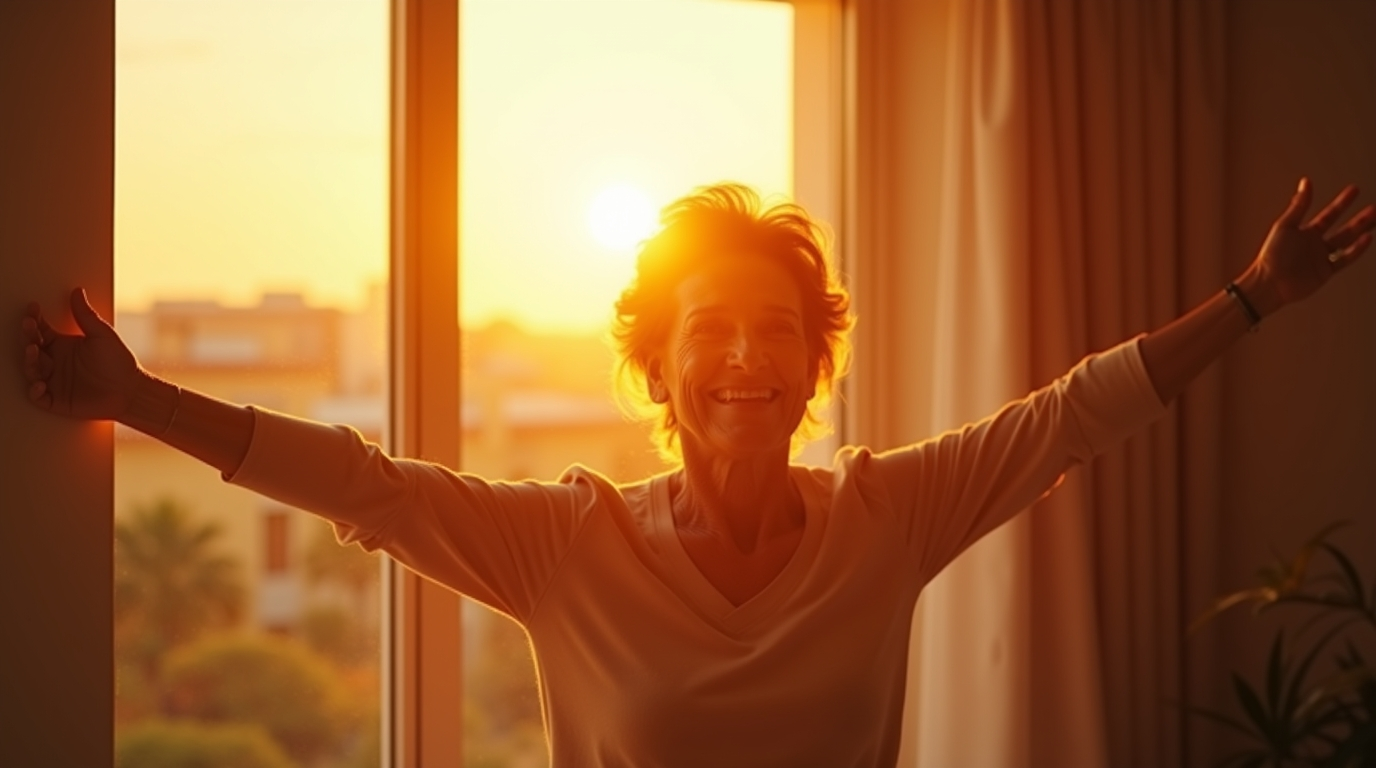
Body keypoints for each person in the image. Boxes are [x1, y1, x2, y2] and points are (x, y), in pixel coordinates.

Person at [18, 180, 1373, 766]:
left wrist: (1253, 297)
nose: (743, 358)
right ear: (658, 373)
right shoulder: (566, 546)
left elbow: (1073, 415)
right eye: (705, 333)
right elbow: (362, 483)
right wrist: (135, 399)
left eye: (774, 329)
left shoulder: (889, 513)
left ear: (812, 363)